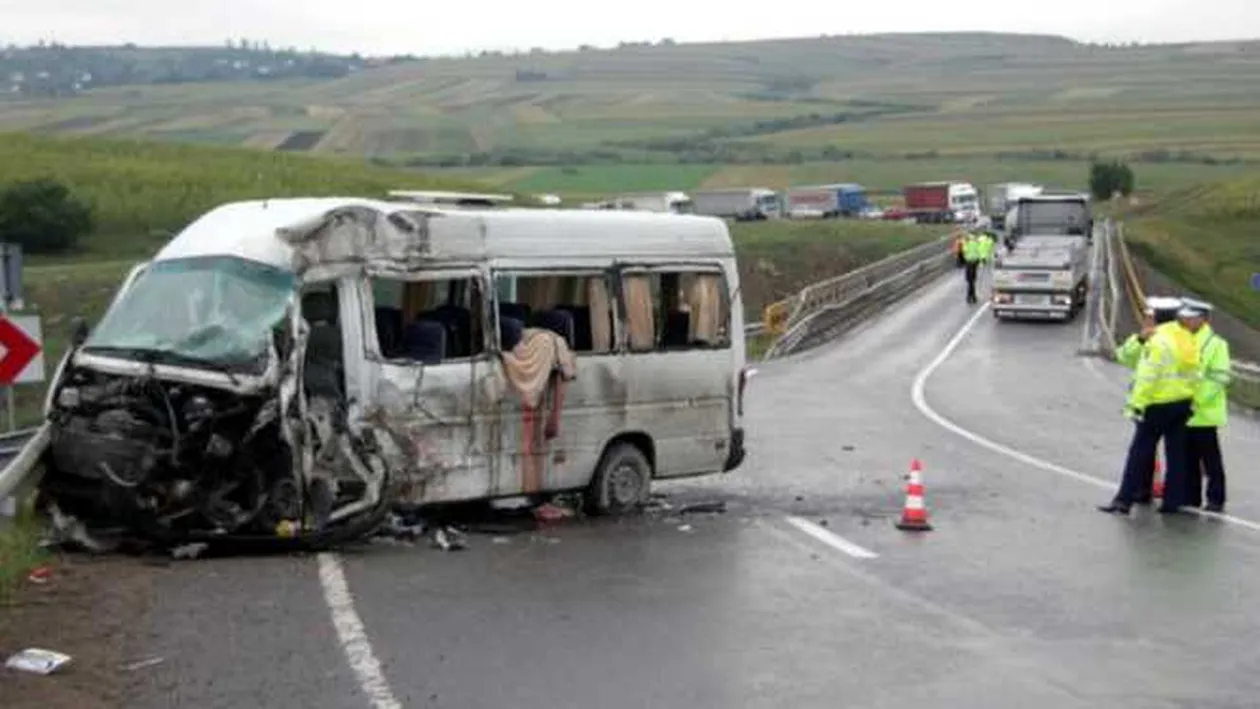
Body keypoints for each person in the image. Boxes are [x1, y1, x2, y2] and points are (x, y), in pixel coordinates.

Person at [1099, 299, 1199, 515]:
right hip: (1182, 403)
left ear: (1155, 317)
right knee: (1176, 455)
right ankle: (1172, 502)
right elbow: (1195, 374)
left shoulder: (1157, 341)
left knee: (1139, 452)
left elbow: (1147, 376)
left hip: (1156, 405)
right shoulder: (1186, 338)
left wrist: (1136, 406)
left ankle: (1124, 500)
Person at [1179, 299, 1231, 512]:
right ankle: (1192, 497)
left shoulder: (1216, 344)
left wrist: (1196, 400)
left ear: (1202, 319)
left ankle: (1216, 499)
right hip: (1183, 409)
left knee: (1210, 459)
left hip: (1204, 412)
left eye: (1190, 318)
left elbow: (1220, 378)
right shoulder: (1182, 339)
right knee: (1188, 457)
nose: (1186, 321)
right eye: (1185, 317)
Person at [961, 233, 982, 304]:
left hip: (969, 262)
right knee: (972, 280)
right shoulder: (976, 243)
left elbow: (965, 250)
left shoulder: (967, 243)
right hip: (975, 262)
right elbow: (979, 251)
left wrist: (964, 243)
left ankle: (970, 297)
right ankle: (973, 296)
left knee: (970, 281)